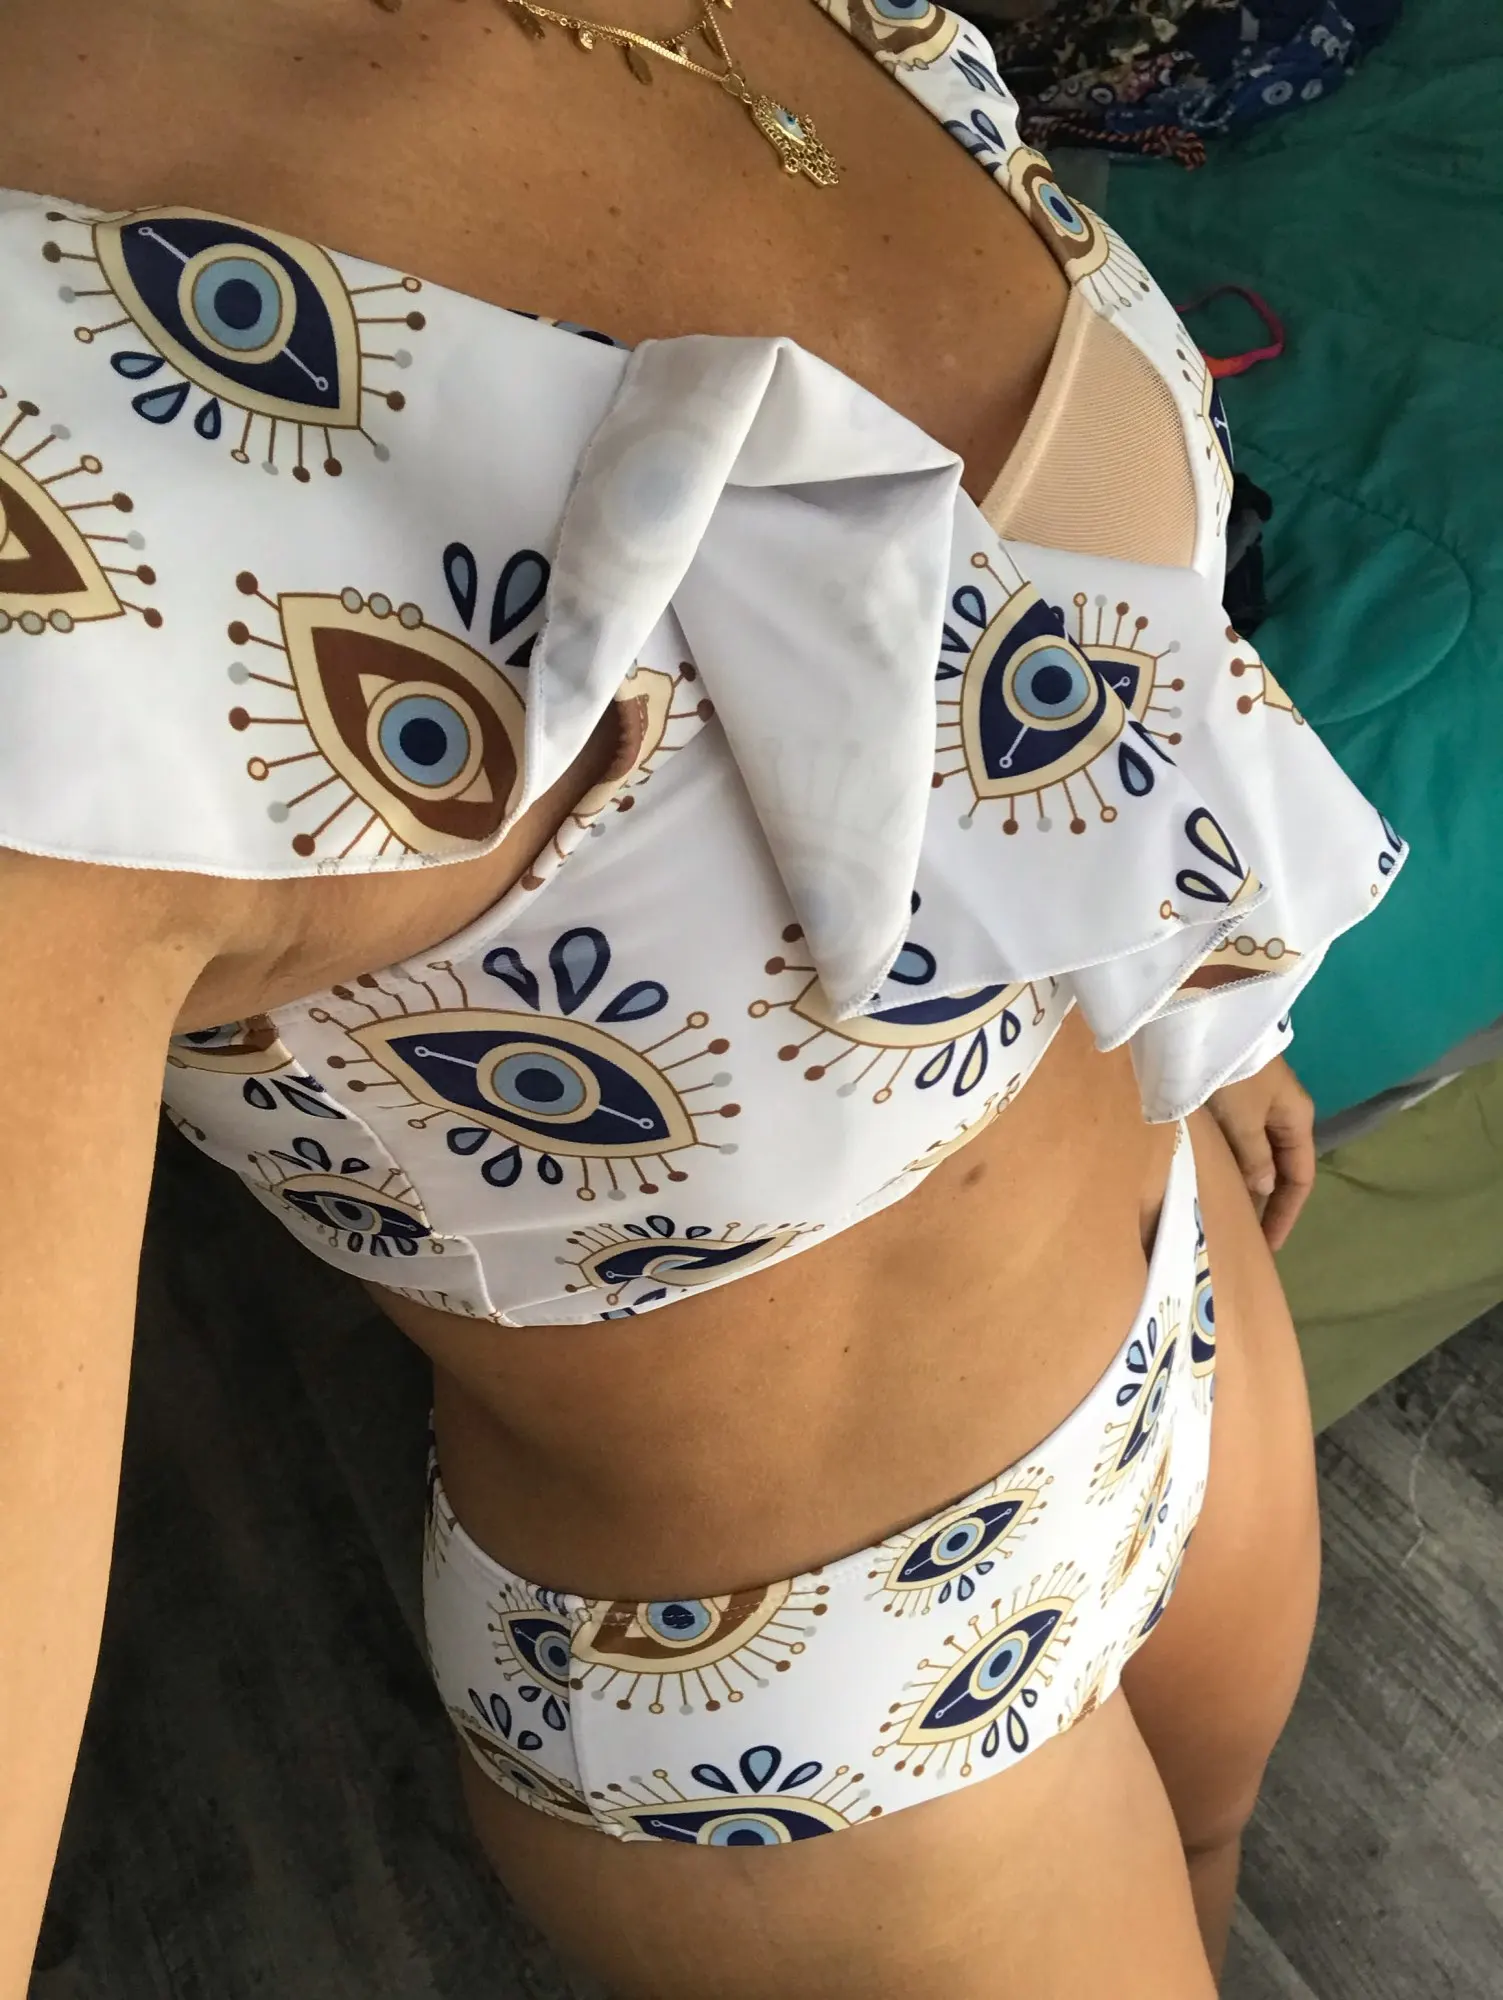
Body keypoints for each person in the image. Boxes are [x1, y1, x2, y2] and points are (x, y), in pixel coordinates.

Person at [0, 1, 1401, 1994]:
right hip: (818, 1700)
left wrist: (1218, 1008)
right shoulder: (43, 482)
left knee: (1204, 1845)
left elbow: (1053, 658)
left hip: (1179, 1280)